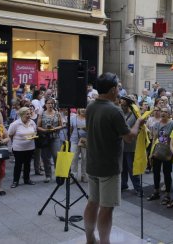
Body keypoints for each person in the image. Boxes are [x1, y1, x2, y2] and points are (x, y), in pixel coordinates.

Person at [84, 72, 143, 244]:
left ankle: (90, 239)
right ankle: (105, 242)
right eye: (117, 86)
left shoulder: (91, 106)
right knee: (106, 208)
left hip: (93, 163)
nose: (119, 89)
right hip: (109, 167)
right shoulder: (114, 111)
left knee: (92, 202)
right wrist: (138, 122)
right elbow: (129, 137)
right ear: (112, 90)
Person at [147, 107, 173, 204]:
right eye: (162, 111)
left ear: (169, 114)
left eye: (165, 112)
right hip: (157, 151)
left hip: (168, 152)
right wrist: (151, 153)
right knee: (156, 172)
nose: (163, 113)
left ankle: (168, 194)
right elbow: (155, 138)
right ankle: (156, 191)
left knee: (167, 173)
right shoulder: (156, 124)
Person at [8, 107, 38, 188]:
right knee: (18, 164)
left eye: (30, 113)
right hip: (18, 148)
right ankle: (15, 181)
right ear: (21, 115)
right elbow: (10, 135)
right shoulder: (15, 124)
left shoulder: (32, 122)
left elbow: (35, 131)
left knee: (27, 164)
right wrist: (13, 143)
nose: (29, 115)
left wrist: (33, 136)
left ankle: (27, 179)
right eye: (27, 114)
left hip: (30, 147)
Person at [37, 98, 63, 183]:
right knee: (45, 157)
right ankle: (48, 175)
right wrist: (44, 130)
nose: (50, 105)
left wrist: (54, 128)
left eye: (52, 103)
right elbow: (38, 126)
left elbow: (61, 125)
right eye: (48, 103)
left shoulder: (57, 114)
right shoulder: (42, 114)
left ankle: (58, 174)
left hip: (55, 137)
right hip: (45, 137)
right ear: (45, 104)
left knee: (56, 155)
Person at [120, 99, 141, 194]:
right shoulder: (120, 114)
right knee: (123, 167)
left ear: (129, 106)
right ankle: (124, 184)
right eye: (121, 105)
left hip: (131, 145)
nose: (122, 107)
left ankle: (138, 188)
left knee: (131, 168)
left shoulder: (134, 116)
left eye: (124, 105)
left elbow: (129, 129)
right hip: (121, 145)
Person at [70, 108, 88, 183]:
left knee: (85, 158)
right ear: (79, 109)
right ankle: (73, 176)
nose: (83, 110)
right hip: (74, 140)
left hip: (86, 141)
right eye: (81, 108)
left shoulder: (89, 118)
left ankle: (84, 175)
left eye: (85, 108)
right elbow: (70, 129)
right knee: (74, 158)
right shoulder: (73, 118)